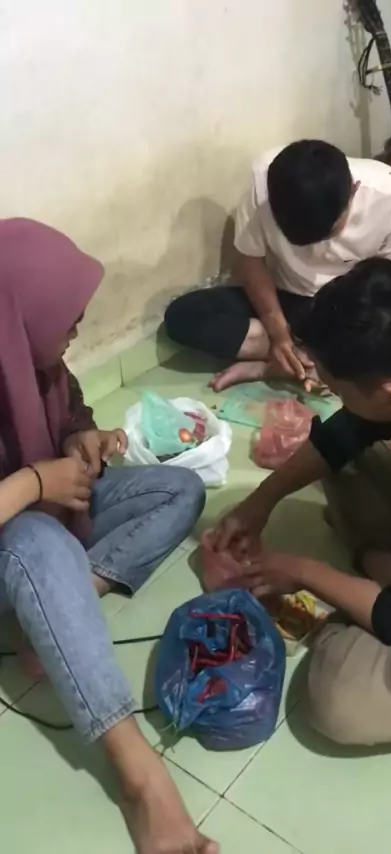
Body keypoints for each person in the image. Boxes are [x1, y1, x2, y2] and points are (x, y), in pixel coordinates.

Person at [0, 219, 218, 854]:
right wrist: (37, 481)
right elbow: (31, 498)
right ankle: (140, 777)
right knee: (38, 541)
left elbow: (70, 412)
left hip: (46, 512)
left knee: (180, 490)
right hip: (19, 535)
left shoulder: (32, 357)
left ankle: (55, 608)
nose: (74, 332)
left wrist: (82, 439)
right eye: (67, 322)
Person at [210, 257, 391, 747]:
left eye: (336, 389)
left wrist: (306, 572)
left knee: (338, 701)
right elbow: (348, 431)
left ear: (389, 393)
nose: (330, 395)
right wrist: (260, 501)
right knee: (350, 460)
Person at [164, 139, 391, 392]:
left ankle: (277, 366)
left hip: (343, 309)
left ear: (353, 191)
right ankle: (309, 359)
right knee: (183, 316)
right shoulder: (266, 181)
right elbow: (250, 259)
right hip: (284, 300)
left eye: (329, 232)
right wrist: (279, 334)